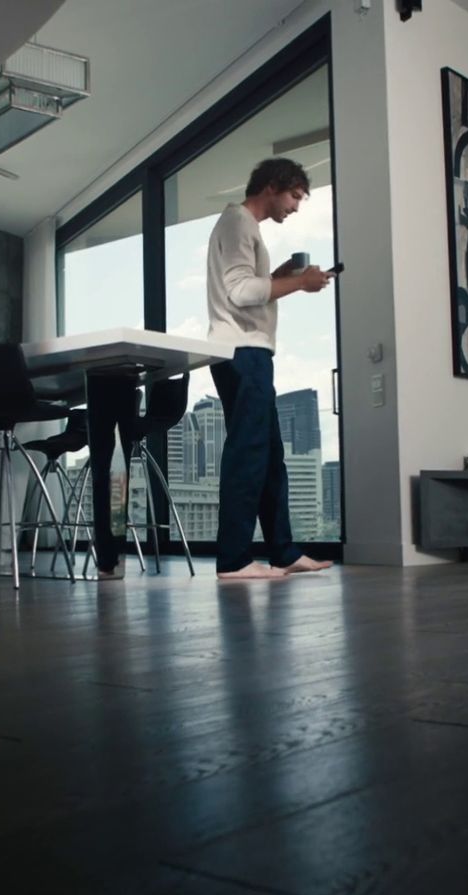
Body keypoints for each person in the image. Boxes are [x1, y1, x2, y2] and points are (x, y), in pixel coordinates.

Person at [206, 158, 335, 580]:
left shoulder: (245, 228)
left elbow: (247, 286)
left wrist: (279, 276)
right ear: (273, 187)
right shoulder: (239, 223)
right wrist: (299, 283)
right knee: (249, 453)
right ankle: (234, 560)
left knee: (271, 458)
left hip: (251, 352)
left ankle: (283, 551)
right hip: (242, 352)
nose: (296, 207)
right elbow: (241, 292)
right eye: (295, 195)